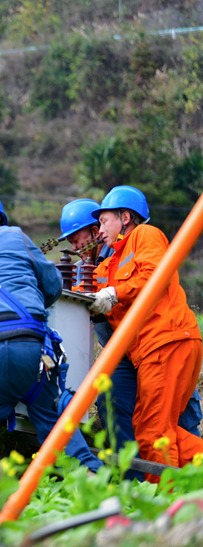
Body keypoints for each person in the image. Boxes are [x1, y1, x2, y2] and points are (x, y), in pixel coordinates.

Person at [0, 189, 101, 471]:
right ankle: (95, 484)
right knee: (56, 426)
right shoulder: (16, 237)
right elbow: (51, 285)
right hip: (32, 353)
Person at [59, 199, 201, 477]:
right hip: (150, 351)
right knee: (154, 429)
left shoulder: (145, 236)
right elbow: (83, 287)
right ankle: (175, 486)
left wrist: (114, 295)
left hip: (166, 341)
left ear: (125, 217)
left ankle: (163, 498)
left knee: (156, 431)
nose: (100, 230)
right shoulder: (109, 264)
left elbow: (155, 276)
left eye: (103, 221)